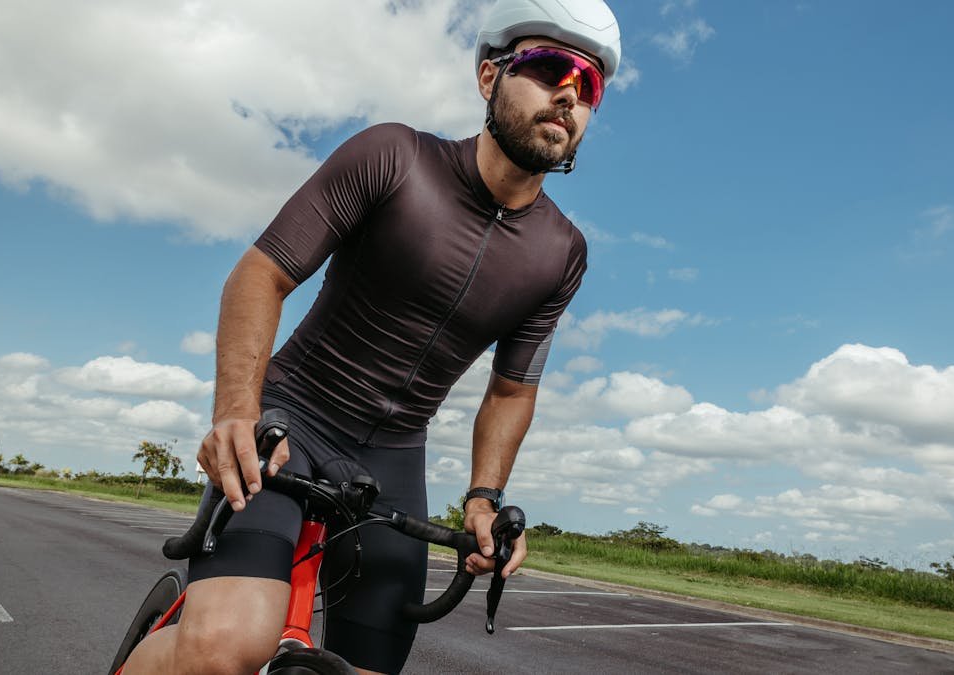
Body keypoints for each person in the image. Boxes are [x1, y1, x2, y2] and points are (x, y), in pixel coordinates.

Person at [124, 0, 622, 673]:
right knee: (226, 650)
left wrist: (484, 497)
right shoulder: (395, 156)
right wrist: (235, 413)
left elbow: (510, 389)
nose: (568, 92)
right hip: (290, 417)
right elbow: (259, 275)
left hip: (392, 461)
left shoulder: (562, 252)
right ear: (488, 76)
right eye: (547, 66)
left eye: (589, 84)